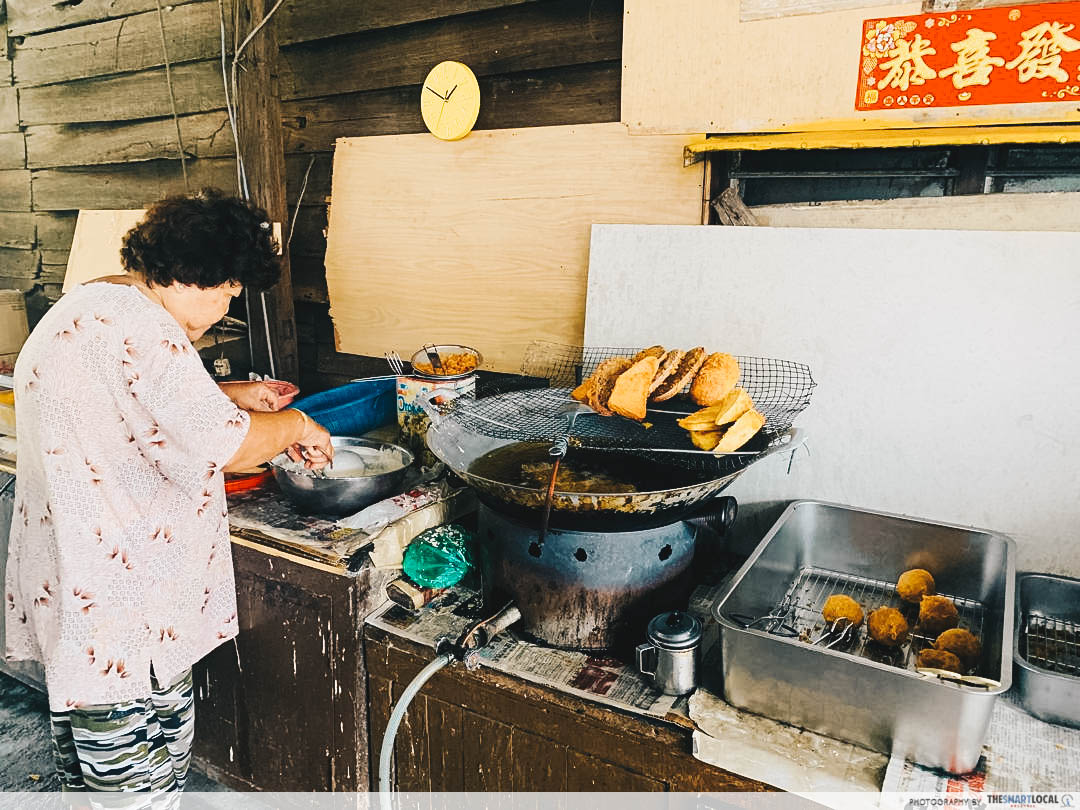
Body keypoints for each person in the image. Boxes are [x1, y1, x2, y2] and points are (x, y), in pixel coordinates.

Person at [3, 189, 334, 795]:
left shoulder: (92, 301)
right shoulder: (145, 332)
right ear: (192, 275)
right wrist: (296, 425)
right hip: (126, 607)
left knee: (88, 769)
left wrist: (231, 396)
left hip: (77, 591)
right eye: (228, 288)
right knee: (139, 782)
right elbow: (228, 447)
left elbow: (124, 403)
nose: (227, 304)